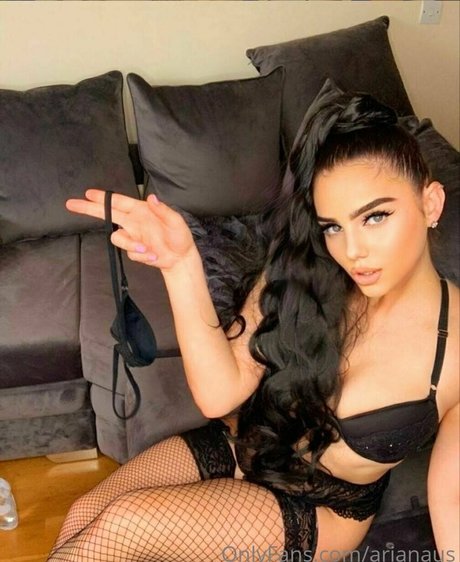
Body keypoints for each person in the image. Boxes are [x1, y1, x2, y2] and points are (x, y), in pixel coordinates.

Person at [47, 84, 459, 562]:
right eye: (332, 226)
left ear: (431, 203)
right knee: (84, 513)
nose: (352, 251)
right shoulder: (306, 271)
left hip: (322, 504)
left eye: (375, 217)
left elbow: (453, 497)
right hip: (246, 444)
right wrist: (181, 266)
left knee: (122, 526)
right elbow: (220, 395)